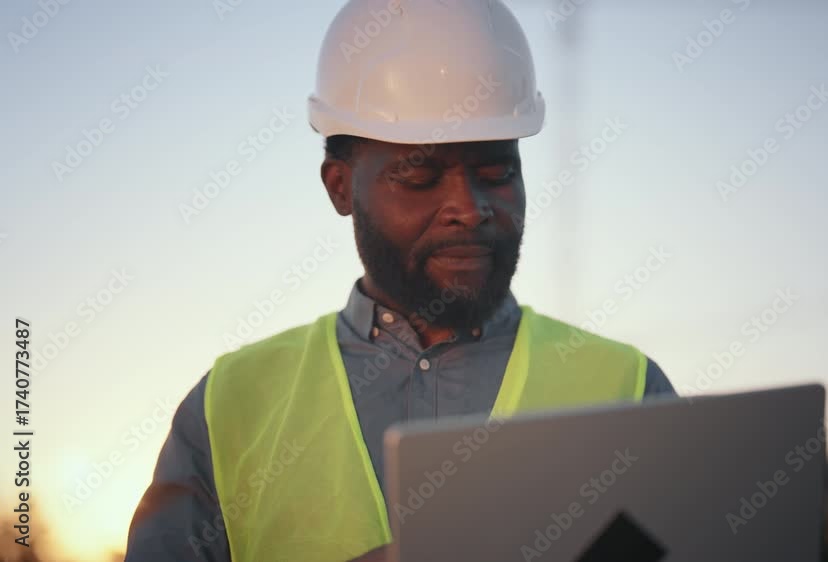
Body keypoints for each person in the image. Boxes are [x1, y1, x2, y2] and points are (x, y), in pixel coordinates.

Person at [124, 1, 675, 560]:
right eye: (420, 175)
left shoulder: (629, 389)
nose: (468, 207)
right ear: (340, 187)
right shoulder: (229, 405)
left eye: (496, 172)